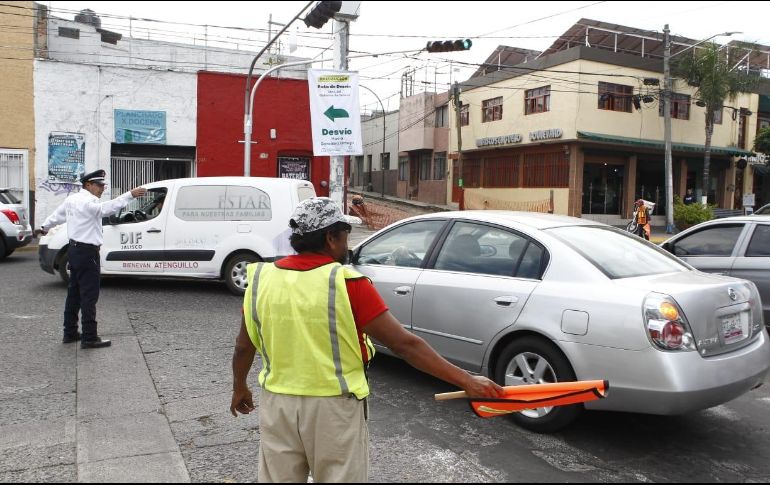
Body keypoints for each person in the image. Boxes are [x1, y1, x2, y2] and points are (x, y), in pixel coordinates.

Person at [230, 197, 502, 483]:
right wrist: (468, 381)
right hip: (333, 409)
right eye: (345, 236)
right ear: (330, 237)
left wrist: (239, 387)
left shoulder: (263, 278)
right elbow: (405, 345)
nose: (347, 245)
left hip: (277, 405)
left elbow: (243, 345)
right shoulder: (347, 282)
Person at [37, 170, 147, 348]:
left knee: (74, 293)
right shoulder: (89, 201)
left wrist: (44, 227)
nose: (102, 188)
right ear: (88, 184)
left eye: (103, 185)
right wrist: (130, 195)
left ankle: (70, 333)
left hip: (74, 250)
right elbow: (105, 209)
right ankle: (89, 337)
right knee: (89, 295)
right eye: (99, 185)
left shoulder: (72, 199)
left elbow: (57, 215)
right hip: (87, 253)